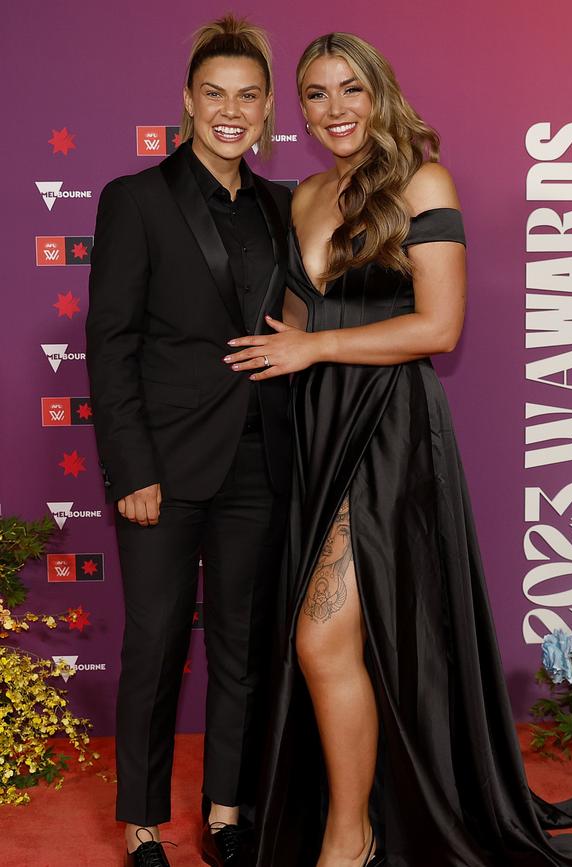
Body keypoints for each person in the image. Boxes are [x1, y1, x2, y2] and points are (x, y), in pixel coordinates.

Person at [222, 32, 572, 867]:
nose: (335, 110)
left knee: (321, 638)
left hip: (390, 426)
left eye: (350, 90)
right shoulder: (305, 196)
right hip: (319, 428)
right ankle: (361, 820)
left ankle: (351, 836)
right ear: (299, 110)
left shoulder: (421, 180)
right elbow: (297, 322)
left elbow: (439, 327)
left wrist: (314, 351)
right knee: (339, 642)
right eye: (317, 95)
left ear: (379, 93)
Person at [85, 16, 292, 867]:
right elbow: (112, 342)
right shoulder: (135, 198)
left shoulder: (284, 207)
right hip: (163, 470)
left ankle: (227, 813)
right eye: (215, 94)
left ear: (269, 107)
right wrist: (130, 466)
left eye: (248, 95)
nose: (230, 111)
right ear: (188, 102)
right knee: (157, 643)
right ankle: (142, 823)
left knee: (242, 646)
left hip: (259, 463)